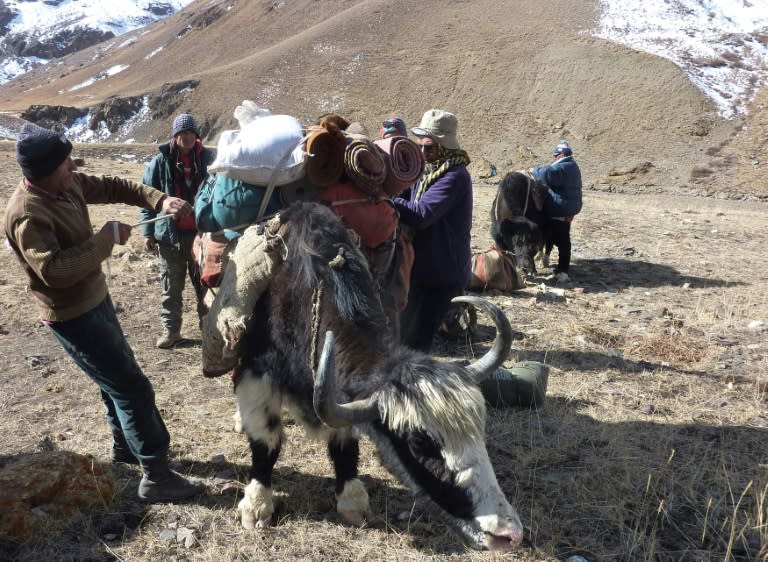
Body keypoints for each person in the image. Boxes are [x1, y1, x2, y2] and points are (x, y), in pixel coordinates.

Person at [4, 123, 205, 502]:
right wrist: (105, 239)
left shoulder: (65, 182)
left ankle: (126, 451)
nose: (73, 168)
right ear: (44, 172)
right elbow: (55, 271)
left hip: (96, 300)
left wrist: (159, 199)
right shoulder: (27, 213)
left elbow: (117, 186)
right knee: (132, 388)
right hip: (72, 315)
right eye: (65, 164)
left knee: (114, 380)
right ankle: (157, 477)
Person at [393, 109, 473, 352]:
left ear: (445, 147)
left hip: (441, 273)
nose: (422, 153)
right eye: (419, 147)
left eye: (429, 148)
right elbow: (405, 194)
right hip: (422, 268)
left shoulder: (454, 175)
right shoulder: (427, 171)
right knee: (403, 336)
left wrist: (386, 196)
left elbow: (421, 215)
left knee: (416, 341)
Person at [141, 113, 214, 348]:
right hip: (169, 236)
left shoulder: (209, 159)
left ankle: (209, 330)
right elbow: (146, 196)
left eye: (192, 133)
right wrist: (148, 232)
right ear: (175, 135)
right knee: (171, 286)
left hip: (201, 236)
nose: (188, 137)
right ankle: (171, 332)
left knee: (205, 285)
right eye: (183, 133)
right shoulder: (160, 162)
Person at [530, 140, 583, 282]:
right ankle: (560, 267)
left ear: (561, 154)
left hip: (560, 209)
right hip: (567, 207)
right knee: (560, 237)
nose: (554, 158)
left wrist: (533, 170)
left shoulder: (564, 167)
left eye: (555, 155)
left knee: (562, 240)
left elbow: (547, 174)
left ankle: (564, 271)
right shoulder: (572, 166)